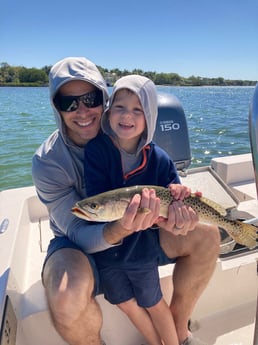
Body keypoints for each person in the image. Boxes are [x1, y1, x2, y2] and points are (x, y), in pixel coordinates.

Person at [32, 57, 221, 345]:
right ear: (55, 107)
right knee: (66, 294)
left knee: (207, 235)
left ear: (104, 99)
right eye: (68, 102)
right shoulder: (48, 161)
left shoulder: (130, 133)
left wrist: (177, 219)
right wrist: (119, 228)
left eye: (90, 98)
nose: (82, 110)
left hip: (140, 230)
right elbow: (75, 229)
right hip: (77, 241)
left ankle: (179, 334)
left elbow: (166, 190)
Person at [84, 74, 190, 345]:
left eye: (137, 109)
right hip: (106, 253)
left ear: (150, 116)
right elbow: (96, 200)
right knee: (126, 303)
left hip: (142, 251)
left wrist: (179, 197)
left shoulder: (160, 159)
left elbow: (175, 198)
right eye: (119, 106)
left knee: (154, 303)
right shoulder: (96, 151)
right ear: (108, 112)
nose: (126, 115)